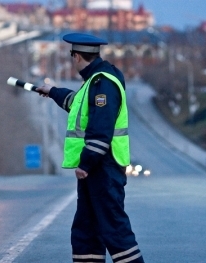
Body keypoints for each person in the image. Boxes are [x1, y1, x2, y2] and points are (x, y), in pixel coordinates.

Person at [36, 33, 144, 263]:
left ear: (76, 56)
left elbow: (101, 128)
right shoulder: (95, 81)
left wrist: (86, 164)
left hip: (103, 167)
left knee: (114, 229)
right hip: (98, 168)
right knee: (86, 230)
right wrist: (52, 91)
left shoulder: (102, 82)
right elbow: (77, 104)